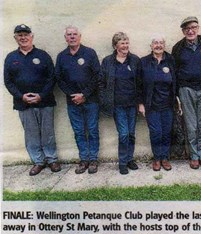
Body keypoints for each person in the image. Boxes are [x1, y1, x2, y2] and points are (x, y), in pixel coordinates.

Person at [4, 24, 61, 176]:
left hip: (45, 101)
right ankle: (38, 162)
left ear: (32, 36)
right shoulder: (11, 58)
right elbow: (8, 82)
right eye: (19, 35)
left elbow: (52, 78)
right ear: (15, 38)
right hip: (23, 104)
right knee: (31, 134)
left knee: (47, 132)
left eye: (26, 34)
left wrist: (41, 95)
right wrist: (21, 96)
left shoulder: (43, 55)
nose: (23, 37)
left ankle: (51, 159)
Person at [55, 26, 101, 174]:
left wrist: (84, 95)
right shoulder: (61, 56)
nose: (72, 37)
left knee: (93, 130)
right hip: (72, 102)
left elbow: (97, 76)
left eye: (75, 34)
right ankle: (84, 160)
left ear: (80, 37)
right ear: (65, 38)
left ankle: (93, 159)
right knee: (79, 132)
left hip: (91, 100)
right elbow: (59, 79)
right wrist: (72, 95)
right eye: (69, 35)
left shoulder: (89, 53)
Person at [172, 16, 201, 170]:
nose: (190, 31)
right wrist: (177, 93)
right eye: (187, 28)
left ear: (198, 28)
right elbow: (174, 71)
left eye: (193, 27)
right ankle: (194, 156)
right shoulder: (178, 47)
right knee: (191, 125)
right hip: (186, 89)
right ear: (183, 31)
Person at [99, 32, 141, 175]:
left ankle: (130, 159)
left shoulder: (135, 60)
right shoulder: (108, 61)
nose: (125, 46)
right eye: (122, 43)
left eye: (127, 42)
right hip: (117, 105)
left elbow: (140, 83)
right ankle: (123, 162)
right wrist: (105, 99)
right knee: (123, 134)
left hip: (132, 104)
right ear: (115, 45)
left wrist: (140, 102)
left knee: (131, 134)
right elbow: (101, 83)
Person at [139, 35, 176, 171]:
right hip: (151, 105)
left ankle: (165, 158)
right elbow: (139, 84)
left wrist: (177, 99)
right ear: (151, 46)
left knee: (166, 132)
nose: (158, 45)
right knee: (156, 132)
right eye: (155, 43)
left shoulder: (170, 60)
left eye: (161, 43)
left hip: (168, 104)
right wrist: (140, 103)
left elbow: (175, 80)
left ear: (164, 45)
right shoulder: (144, 62)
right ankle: (157, 158)